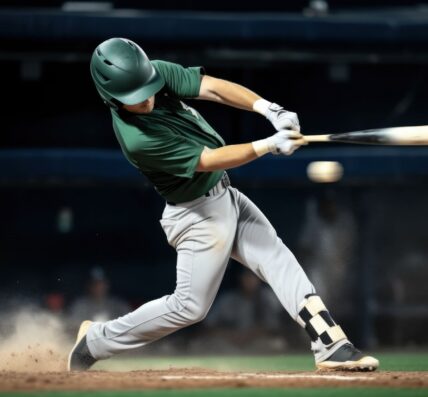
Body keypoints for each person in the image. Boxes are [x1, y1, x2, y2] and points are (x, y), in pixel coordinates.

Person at [68, 37, 378, 372]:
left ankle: (330, 344)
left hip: (224, 195)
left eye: (147, 88)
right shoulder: (137, 138)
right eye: (134, 97)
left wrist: (269, 109)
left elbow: (213, 88)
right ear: (112, 99)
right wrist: (267, 145)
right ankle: (96, 341)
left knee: (277, 259)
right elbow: (210, 159)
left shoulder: (154, 74)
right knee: (189, 307)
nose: (145, 98)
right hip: (195, 214)